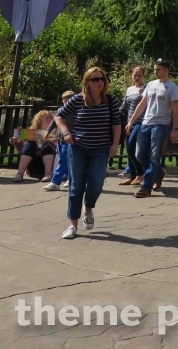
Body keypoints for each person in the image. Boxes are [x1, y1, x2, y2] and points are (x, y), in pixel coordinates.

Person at [54, 67, 121, 239]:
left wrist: (115, 143)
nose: (100, 82)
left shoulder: (110, 100)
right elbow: (58, 116)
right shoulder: (77, 100)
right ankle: (72, 225)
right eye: (96, 79)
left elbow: (116, 124)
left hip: (100, 149)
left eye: (102, 79)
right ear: (87, 83)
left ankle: (88, 208)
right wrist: (66, 133)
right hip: (78, 148)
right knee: (76, 187)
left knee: (96, 184)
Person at [127, 59, 178, 199]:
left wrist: (175, 128)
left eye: (158, 70)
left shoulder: (171, 87)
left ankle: (146, 187)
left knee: (154, 156)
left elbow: (175, 109)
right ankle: (158, 173)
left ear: (166, 70)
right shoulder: (150, 85)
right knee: (139, 154)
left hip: (160, 125)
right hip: (145, 123)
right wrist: (131, 121)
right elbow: (142, 104)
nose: (155, 72)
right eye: (154, 69)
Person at [118, 66, 147, 186]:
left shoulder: (146, 88)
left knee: (132, 147)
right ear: (132, 75)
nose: (137, 77)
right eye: (135, 75)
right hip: (129, 123)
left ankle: (141, 174)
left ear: (143, 76)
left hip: (140, 122)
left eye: (140, 75)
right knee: (129, 149)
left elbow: (146, 105)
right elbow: (124, 106)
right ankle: (133, 175)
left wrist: (142, 95)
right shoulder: (129, 89)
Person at [42, 91, 76, 191]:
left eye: (69, 101)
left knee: (62, 161)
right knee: (65, 160)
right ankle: (71, 179)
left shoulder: (77, 111)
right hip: (60, 140)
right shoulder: (60, 110)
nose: (66, 103)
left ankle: (55, 182)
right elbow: (54, 122)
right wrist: (48, 130)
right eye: (65, 101)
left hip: (69, 139)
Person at [11, 110, 57, 182]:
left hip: (48, 165)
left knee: (47, 145)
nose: (49, 120)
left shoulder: (57, 131)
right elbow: (21, 149)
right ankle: (19, 174)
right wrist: (15, 142)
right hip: (33, 165)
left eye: (50, 118)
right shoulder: (31, 131)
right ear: (39, 120)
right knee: (31, 143)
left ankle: (48, 174)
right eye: (46, 118)